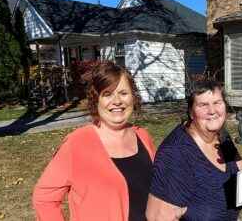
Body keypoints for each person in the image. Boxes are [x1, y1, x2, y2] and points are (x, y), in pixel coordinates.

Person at [32, 61, 156, 221]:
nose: (117, 101)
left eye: (123, 93)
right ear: (96, 100)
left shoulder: (143, 136)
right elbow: (44, 198)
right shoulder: (77, 143)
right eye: (107, 94)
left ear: (133, 97)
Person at [146, 80, 242, 221]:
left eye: (217, 103)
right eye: (203, 105)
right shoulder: (176, 154)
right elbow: (157, 216)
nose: (212, 111)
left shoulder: (221, 136)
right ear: (191, 112)